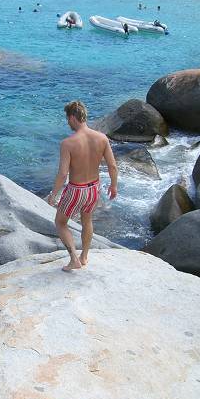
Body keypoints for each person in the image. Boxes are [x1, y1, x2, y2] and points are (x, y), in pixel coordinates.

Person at [47, 101, 118, 272]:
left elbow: (63, 173)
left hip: (76, 190)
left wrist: (53, 194)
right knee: (87, 220)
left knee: (60, 222)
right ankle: (84, 257)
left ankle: (74, 259)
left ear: (73, 117)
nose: (68, 123)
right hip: (94, 188)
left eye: (67, 119)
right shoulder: (102, 138)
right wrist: (113, 186)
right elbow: (112, 166)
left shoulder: (68, 143)